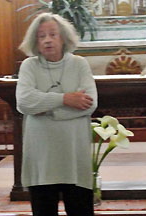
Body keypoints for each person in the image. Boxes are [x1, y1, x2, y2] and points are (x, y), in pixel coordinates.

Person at [16, 12, 97, 216]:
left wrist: (45, 109)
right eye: (41, 36)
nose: (47, 40)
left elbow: (89, 103)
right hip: (41, 154)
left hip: (73, 152)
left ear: (63, 38)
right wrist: (65, 99)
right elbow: (25, 102)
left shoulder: (79, 64)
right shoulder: (29, 66)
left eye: (52, 34)